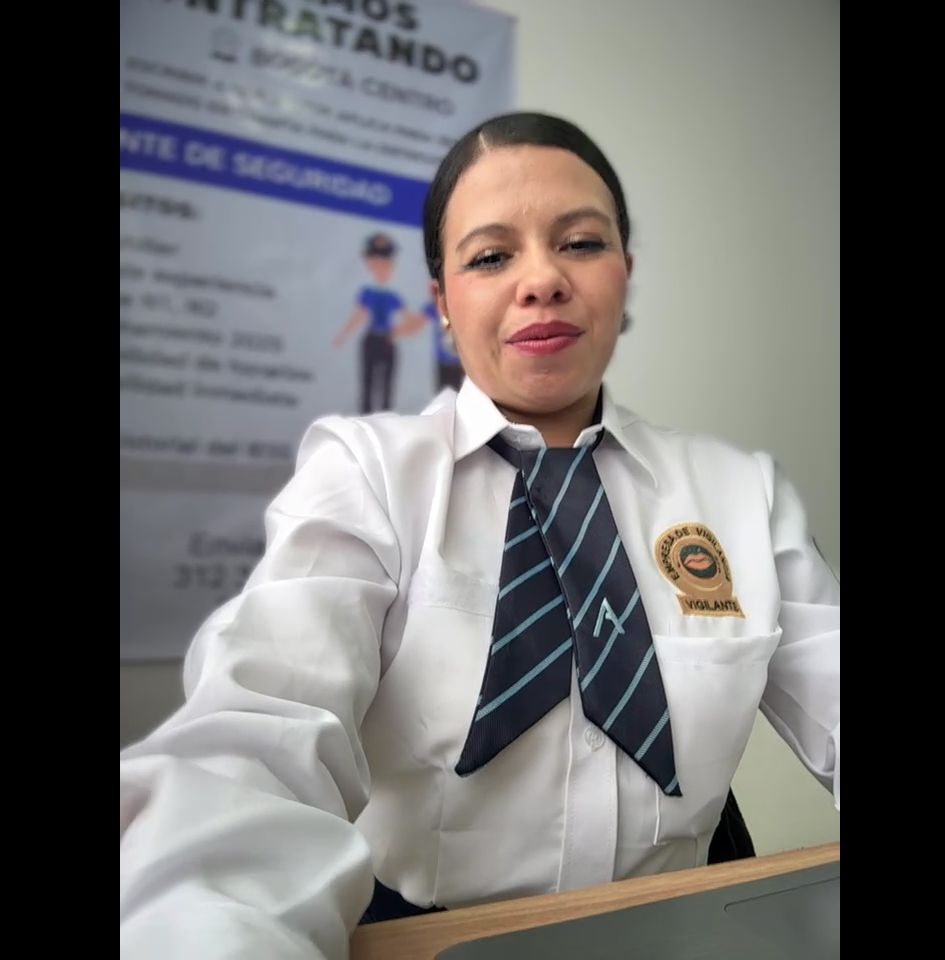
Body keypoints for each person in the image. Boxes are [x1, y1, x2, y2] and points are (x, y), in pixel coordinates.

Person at [120, 112, 840, 959]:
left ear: (625, 273)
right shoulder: (367, 475)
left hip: (687, 927)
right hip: (431, 939)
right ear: (442, 303)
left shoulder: (742, 492)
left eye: (581, 243)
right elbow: (258, 731)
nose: (542, 280)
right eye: (491, 256)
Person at [332, 232, 419, 413]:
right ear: (370, 265)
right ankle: (365, 423)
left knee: (387, 389)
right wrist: (342, 336)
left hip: (387, 342)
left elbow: (411, 321)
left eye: (385, 264)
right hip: (371, 340)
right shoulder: (367, 293)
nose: (381, 268)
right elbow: (358, 317)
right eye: (376, 263)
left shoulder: (393, 296)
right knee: (368, 386)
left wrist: (398, 332)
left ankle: (385, 423)